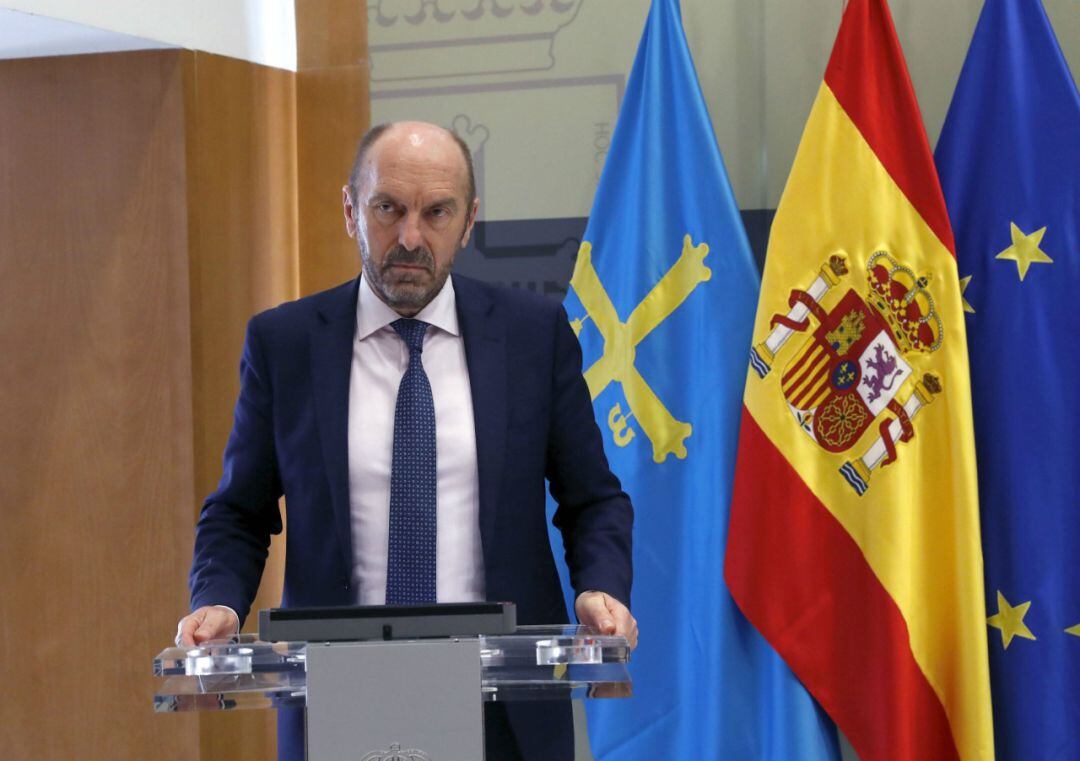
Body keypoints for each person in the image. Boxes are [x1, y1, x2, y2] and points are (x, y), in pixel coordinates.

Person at [177, 121, 636, 760]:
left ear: (469, 221)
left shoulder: (534, 335)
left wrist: (601, 586)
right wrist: (218, 600)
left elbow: (593, 500)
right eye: (388, 208)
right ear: (350, 210)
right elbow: (238, 511)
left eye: (437, 212)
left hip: (501, 704)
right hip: (340, 695)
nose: (411, 237)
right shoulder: (284, 345)